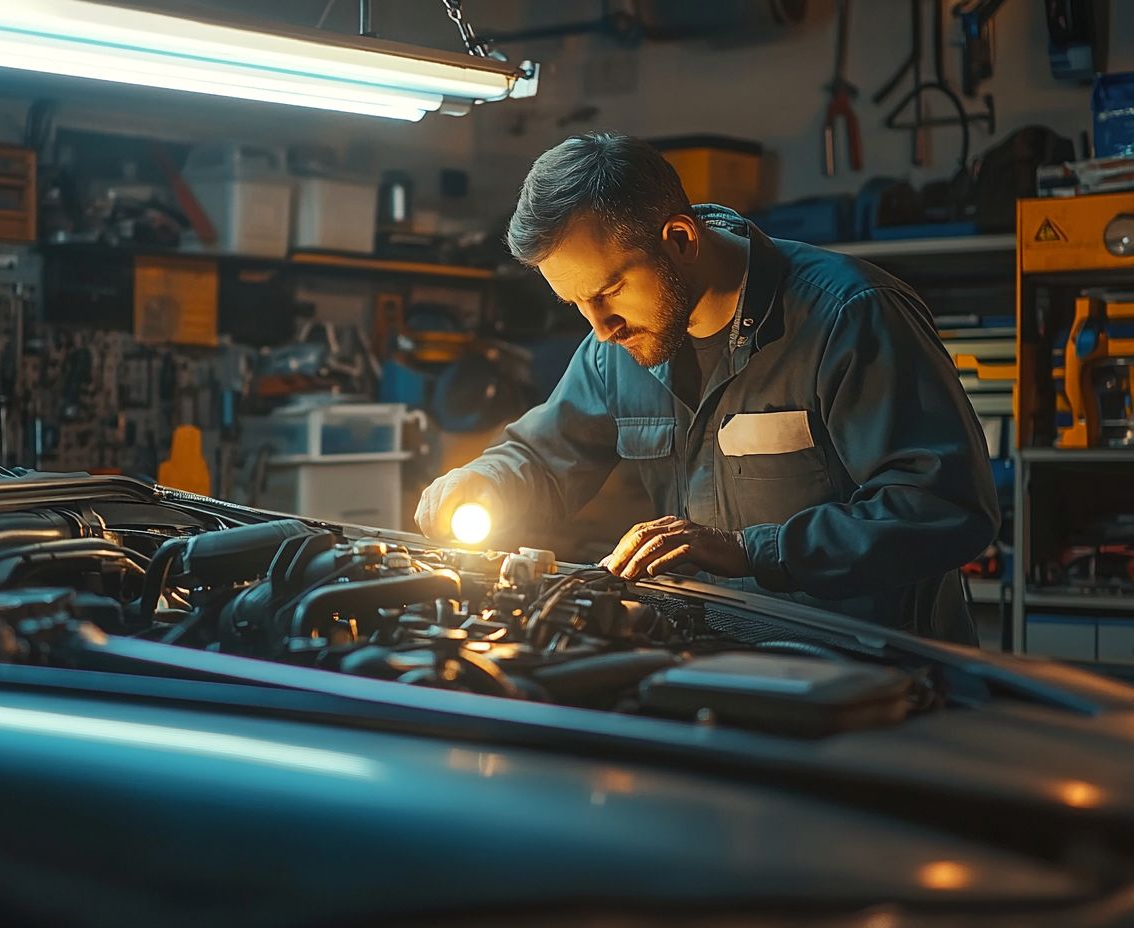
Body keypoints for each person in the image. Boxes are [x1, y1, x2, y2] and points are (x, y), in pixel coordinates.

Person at [416, 132, 999, 643]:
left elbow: (941, 506)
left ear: (680, 239)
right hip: (717, 669)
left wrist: (752, 551)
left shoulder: (849, 317)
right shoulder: (614, 349)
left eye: (610, 289)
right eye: (576, 304)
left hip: (878, 680)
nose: (599, 327)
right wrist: (479, 483)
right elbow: (541, 458)